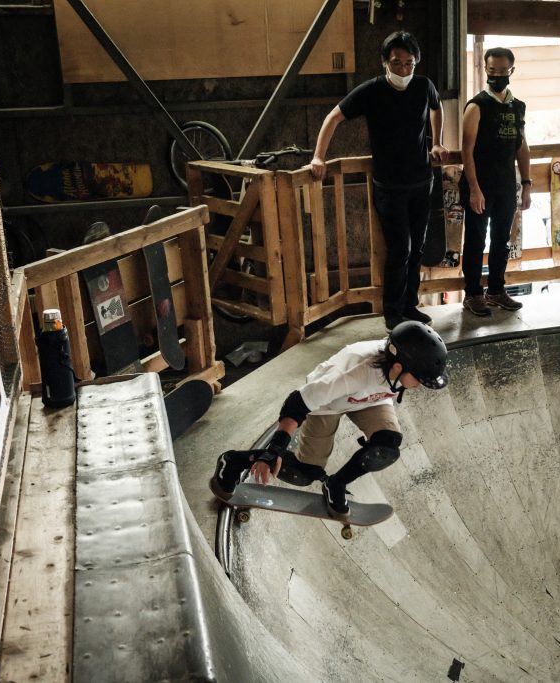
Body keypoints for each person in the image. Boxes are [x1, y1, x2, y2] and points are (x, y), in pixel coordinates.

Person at [210, 321, 449, 516]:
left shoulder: (400, 362)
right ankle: (234, 460)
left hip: (370, 399)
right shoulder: (353, 373)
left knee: (387, 445)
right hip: (328, 403)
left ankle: (336, 484)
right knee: (305, 473)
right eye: (418, 379)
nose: (419, 386)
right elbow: (297, 404)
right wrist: (272, 451)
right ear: (397, 367)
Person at [309, 31, 448, 331]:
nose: (403, 70)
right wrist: (319, 156)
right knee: (400, 250)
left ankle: (410, 305)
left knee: (418, 247)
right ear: (385, 62)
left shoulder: (424, 85)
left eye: (409, 64)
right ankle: (393, 313)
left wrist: (437, 142)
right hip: (390, 187)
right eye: (396, 63)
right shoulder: (371, 91)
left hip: (422, 182)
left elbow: (438, 108)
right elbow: (332, 118)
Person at [459, 47, 531, 317]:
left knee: (502, 239)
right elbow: (467, 150)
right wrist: (474, 189)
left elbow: (522, 147)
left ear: (511, 70)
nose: (497, 75)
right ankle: (473, 294)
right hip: (480, 185)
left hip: (505, 184)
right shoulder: (477, 105)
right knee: (476, 241)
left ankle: (497, 290)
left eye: (502, 71)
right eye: (492, 70)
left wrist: (526, 183)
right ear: (485, 69)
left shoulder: (517, 106)